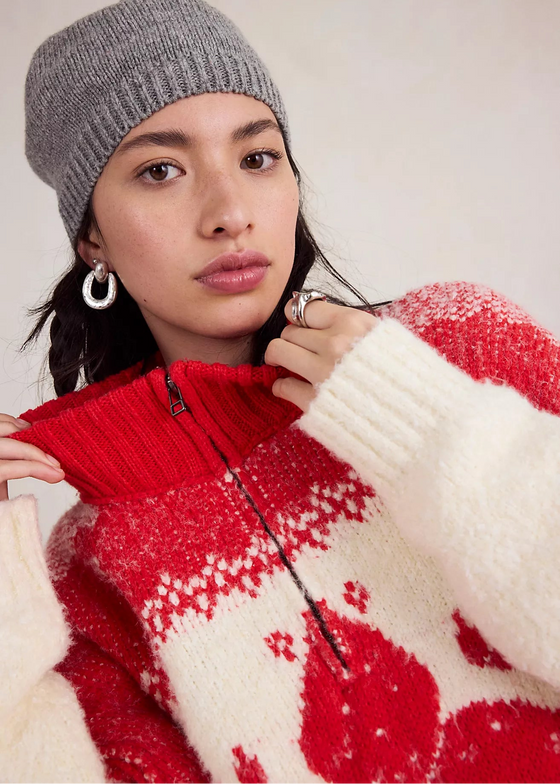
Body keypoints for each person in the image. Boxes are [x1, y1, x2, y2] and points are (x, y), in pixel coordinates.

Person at [1, 0, 559, 781]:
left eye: (257, 158)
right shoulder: (92, 569)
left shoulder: (463, 344)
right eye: (160, 170)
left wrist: (426, 419)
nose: (231, 214)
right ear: (90, 235)